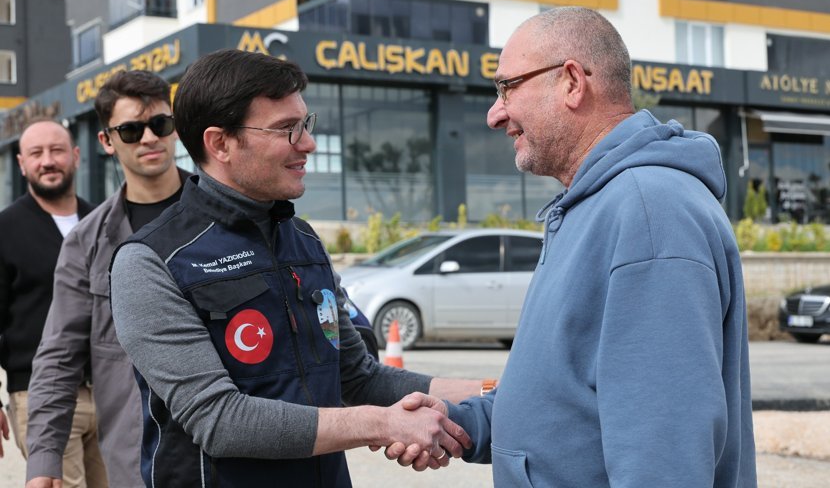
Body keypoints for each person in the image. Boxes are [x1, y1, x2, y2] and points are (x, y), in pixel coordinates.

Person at [393, 6, 758, 486]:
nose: (494, 113)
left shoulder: (649, 211)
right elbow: (566, 392)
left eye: (507, 87)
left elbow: (665, 450)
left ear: (571, 82)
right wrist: (464, 422)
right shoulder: (597, 205)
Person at [109, 49, 480, 488]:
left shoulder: (303, 240)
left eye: (305, 124)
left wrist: (493, 390)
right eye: (287, 129)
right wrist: (383, 424)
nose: (308, 144)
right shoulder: (151, 261)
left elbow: (358, 377)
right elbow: (220, 418)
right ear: (220, 143)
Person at [25, 70, 191, 488]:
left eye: (160, 124)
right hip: (137, 457)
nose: (150, 138)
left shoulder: (228, 217)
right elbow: (59, 357)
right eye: (132, 130)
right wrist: (44, 461)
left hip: (228, 449)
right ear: (107, 141)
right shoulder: (86, 243)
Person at [0, 119, 107, 487]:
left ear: (76, 156)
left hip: (110, 393)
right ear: (21, 164)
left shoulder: (103, 222)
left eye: (57, 150)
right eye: (36, 153)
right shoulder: (5, 229)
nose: (48, 161)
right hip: (39, 394)